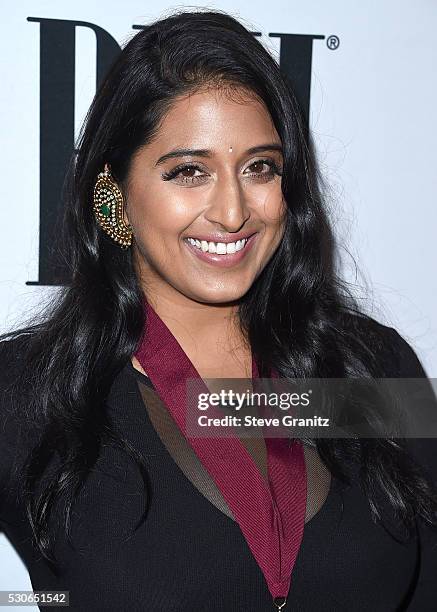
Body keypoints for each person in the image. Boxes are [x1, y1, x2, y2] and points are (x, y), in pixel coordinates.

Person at [1, 9, 436, 612]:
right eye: (189, 171)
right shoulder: (30, 390)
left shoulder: (375, 366)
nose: (233, 212)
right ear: (114, 197)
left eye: (260, 167)